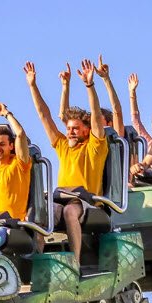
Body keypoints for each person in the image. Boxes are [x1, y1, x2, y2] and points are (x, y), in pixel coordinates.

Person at [26, 60, 108, 263]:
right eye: (68, 128)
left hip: (86, 201)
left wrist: (90, 86)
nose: (69, 132)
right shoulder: (62, 145)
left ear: (86, 130)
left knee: (71, 211)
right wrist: (32, 86)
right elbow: (44, 115)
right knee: (40, 212)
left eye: (75, 129)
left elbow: (96, 117)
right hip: (61, 198)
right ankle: (36, 260)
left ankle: (75, 262)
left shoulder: (95, 147)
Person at [59, 55, 125, 137]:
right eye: (92, 121)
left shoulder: (116, 136)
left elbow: (117, 112)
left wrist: (106, 79)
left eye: (98, 120)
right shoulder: (89, 138)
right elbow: (64, 117)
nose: (94, 123)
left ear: (110, 124)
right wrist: (65, 85)